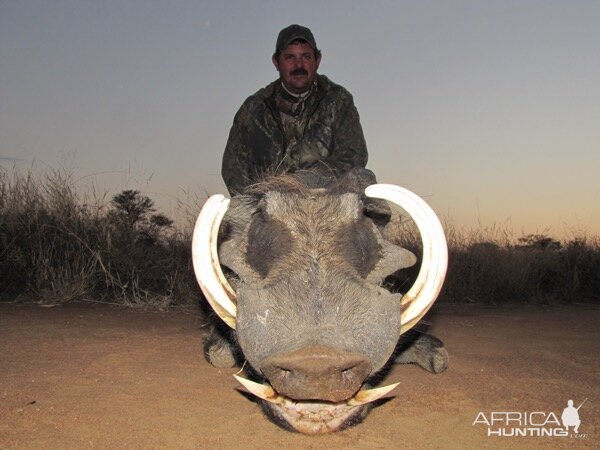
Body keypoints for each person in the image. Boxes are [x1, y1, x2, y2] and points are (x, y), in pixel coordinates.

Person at [221, 24, 369, 195]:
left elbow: (354, 156)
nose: (299, 65)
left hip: (326, 201)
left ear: (317, 60)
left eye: (306, 56)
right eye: (290, 57)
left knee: (365, 180)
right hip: (269, 208)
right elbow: (234, 171)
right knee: (234, 214)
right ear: (276, 62)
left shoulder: (339, 100)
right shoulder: (252, 109)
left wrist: (306, 182)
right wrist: (265, 200)